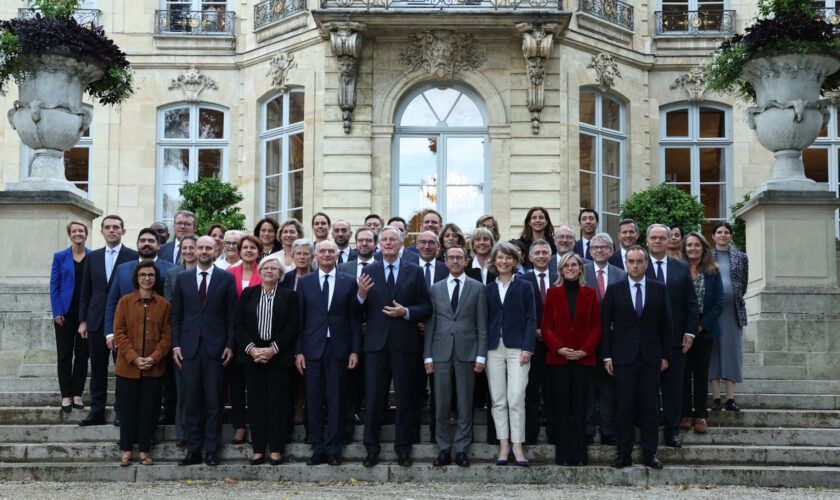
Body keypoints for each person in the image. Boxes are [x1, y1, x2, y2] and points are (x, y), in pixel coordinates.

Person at [357, 226, 432, 467]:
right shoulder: (369, 270)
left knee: (405, 398)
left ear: (401, 244)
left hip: (405, 344)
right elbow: (357, 312)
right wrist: (360, 295)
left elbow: (426, 307)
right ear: (379, 245)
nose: (388, 243)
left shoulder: (415, 271)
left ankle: (403, 448)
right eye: (385, 240)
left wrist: (406, 312)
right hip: (376, 345)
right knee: (374, 398)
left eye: (393, 239)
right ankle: (371, 448)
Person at [601, 245, 673, 470]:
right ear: (626, 263)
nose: (634, 265)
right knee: (624, 407)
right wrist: (606, 356)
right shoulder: (614, 289)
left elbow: (667, 325)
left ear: (646, 264)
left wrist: (666, 356)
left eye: (639, 261)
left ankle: (650, 454)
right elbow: (605, 327)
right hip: (623, 358)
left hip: (651, 357)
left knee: (650, 407)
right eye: (631, 261)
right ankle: (624, 454)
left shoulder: (659, 289)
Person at [171, 236, 237, 466]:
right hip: (188, 348)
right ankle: (193, 450)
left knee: (214, 401)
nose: (204, 251)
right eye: (200, 247)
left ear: (216, 250)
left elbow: (233, 315)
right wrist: (176, 345)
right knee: (192, 400)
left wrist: (230, 344)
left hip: (216, 348)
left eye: (209, 247)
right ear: (194, 250)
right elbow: (176, 315)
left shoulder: (226, 279)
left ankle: (211, 450)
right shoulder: (182, 279)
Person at [295, 240, 361, 466]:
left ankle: (334, 448)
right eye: (321, 251)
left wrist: (355, 350)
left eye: (330, 251)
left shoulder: (349, 282)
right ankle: (318, 447)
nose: (326, 254)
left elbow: (354, 319)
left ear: (336, 255)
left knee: (336, 400)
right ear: (315, 255)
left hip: (340, 348)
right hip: (312, 349)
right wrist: (299, 352)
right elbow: (300, 321)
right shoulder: (305, 282)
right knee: (313, 400)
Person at [424, 245, 488, 468]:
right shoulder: (435, 289)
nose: (455, 261)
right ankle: (443, 448)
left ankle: (461, 448)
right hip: (440, 352)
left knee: (464, 401)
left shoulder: (478, 288)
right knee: (440, 402)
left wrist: (481, 356)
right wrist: (427, 356)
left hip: (467, 352)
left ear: (466, 261)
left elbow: (482, 325)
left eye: (459, 257)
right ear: (445, 261)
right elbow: (431, 325)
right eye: (450, 258)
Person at [104, 228, 176, 426]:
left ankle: (159, 415)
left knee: (161, 380)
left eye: (151, 241)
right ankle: (123, 415)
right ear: (137, 245)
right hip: (126, 337)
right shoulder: (123, 269)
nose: (146, 243)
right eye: (142, 240)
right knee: (125, 379)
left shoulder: (170, 268)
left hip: (156, 336)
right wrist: (110, 333)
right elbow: (112, 301)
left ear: (158, 245)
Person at [235, 254, 299, 466]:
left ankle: (276, 449)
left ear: (280, 274)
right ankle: (258, 449)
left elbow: (292, 326)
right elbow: (239, 325)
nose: (269, 271)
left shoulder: (288, 296)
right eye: (265, 268)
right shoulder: (248, 293)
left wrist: (273, 349)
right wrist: (252, 350)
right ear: (259, 272)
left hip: (278, 359)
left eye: (274, 268)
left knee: (278, 405)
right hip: (252, 359)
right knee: (255, 404)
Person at [78, 215, 139, 426]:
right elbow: (85, 290)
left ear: (123, 231)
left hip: (123, 323)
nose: (111, 230)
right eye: (107, 227)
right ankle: (96, 412)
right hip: (95, 321)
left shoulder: (133, 256)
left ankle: (121, 413)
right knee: (97, 369)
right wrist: (83, 320)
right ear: (101, 231)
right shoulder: (92, 257)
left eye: (116, 227)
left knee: (122, 370)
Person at [541, 252, 601, 466]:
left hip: (583, 359)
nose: (570, 268)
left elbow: (596, 327)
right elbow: (546, 328)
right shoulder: (552, 293)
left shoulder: (591, 293)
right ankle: (563, 455)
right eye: (566, 266)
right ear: (561, 270)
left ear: (580, 268)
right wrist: (560, 349)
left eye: (574, 265)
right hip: (560, 360)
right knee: (562, 407)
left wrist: (585, 350)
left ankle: (580, 455)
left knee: (580, 406)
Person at [113, 261, 171, 466]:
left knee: (149, 410)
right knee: (127, 410)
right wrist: (134, 357)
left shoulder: (164, 304)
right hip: (128, 367)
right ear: (137, 278)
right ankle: (126, 450)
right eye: (143, 275)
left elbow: (167, 336)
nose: (147, 278)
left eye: (151, 275)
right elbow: (119, 333)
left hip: (153, 369)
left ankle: (145, 450)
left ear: (156, 279)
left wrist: (154, 357)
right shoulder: (124, 302)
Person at [645, 223, 698, 449]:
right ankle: (648, 429)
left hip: (676, 339)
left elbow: (692, 304)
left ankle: (672, 431)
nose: (657, 241)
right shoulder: (637, 265)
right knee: (647, 388)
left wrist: (690, 332)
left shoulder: (681, 268)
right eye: (653, 238)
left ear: (669, 241)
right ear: (646, 241)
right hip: (645, 340)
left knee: (674, 388)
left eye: (661, 238)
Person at [485, 241, 536, 467]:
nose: (504, 261)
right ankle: (504, 444)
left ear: (515, 261)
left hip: (518, 349)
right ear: (494, 261)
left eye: (508, 258)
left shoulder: (525, 286)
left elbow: (531, 319)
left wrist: (528, 347)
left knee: (516, 396)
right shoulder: (487, 289)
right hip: (493, 348)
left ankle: (518, 445)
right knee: (498, 399)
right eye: (500, 258)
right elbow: (483, 321)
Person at [582, 233, 626, 446]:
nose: (599, 250)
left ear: (611, 251)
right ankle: (588, 428)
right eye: (595, 247)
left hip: (614, 340)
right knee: (588, 386)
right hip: (586, 340)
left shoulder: (621, 274)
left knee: (609, 386)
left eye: (604, 247)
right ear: (589, 252)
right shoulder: (580, 272)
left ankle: (607, 429)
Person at [404, 230, 448, 443]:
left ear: (438, 247)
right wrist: (417, 320)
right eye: (423, 242)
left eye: (432, 243)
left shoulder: (445, 269)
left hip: (440, 336)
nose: (428, 246)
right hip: (412, 334)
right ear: (417, 245)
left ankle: (435, 434)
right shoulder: (407, 269)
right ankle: (411, 433)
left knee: (439, 390)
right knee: (412, 386)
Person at [680, 232, 724, 435]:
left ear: (703, 248)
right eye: (689, 245)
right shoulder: (678, 269)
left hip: (704, 330)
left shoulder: (713, 271)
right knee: (683, 373)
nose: (692, 249)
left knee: (700, 374)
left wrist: (700, 326)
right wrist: (687, 327)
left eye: (696, 245)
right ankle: (685, 414)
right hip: (682, 329)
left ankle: (700, 416)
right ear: (684, 248)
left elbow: (718, 303)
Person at [50, 221, 91, 412]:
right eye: (74, 231)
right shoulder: (60, 257)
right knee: (65, 355)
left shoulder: (93, 256)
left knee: (82, 355)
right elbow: (54, 285)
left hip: (86, 314)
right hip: (64, 314)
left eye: (81, 231)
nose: (77, 233)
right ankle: (66, 395)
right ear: (69, 234)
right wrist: (57, 311)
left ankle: (77, 393)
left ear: (86, 234)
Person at [226, 235, 263, 444]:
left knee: (256, 387)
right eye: (245, 247)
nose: (249, 251)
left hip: (259, 337)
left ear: (259, 252)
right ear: (239, 252)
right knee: (237, 385)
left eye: (253, 248)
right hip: (235, 336)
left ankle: (255, 426)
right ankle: (239, 426)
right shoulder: (229, 274)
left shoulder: (266, 271)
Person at [709, 221, 749, 413]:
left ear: (730, 236)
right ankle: (716, 398)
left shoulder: (741, 257)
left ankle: (730, 399)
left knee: (732, 352)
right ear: (713, 236)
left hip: (733, 311)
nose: (723, 235)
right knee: (714, 352)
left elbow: (744, 283)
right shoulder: (707, 256)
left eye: (726, 232)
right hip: (712, 312)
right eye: (719, 232)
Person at [163, 233, 198, 447]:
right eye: (184, 248)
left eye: (191, 247)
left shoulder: (209, 273)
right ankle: (182, 431)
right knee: (182, 388)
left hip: (204, 337)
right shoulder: (172, 274)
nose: (188, 251)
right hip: (182, 336)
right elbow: (170, 307)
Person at [522, 239, 557, 445]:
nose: (542, 256)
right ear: (530, 257)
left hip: (555, 346)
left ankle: (553, 432)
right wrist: (532, 332)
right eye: (538, 253)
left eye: (545, 253)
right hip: (532, 344)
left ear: (551, 257)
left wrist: (551, 333)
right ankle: (531, 433)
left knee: (553, 390)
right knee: (531, 390)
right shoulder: (523, 280)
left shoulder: (558, 278)